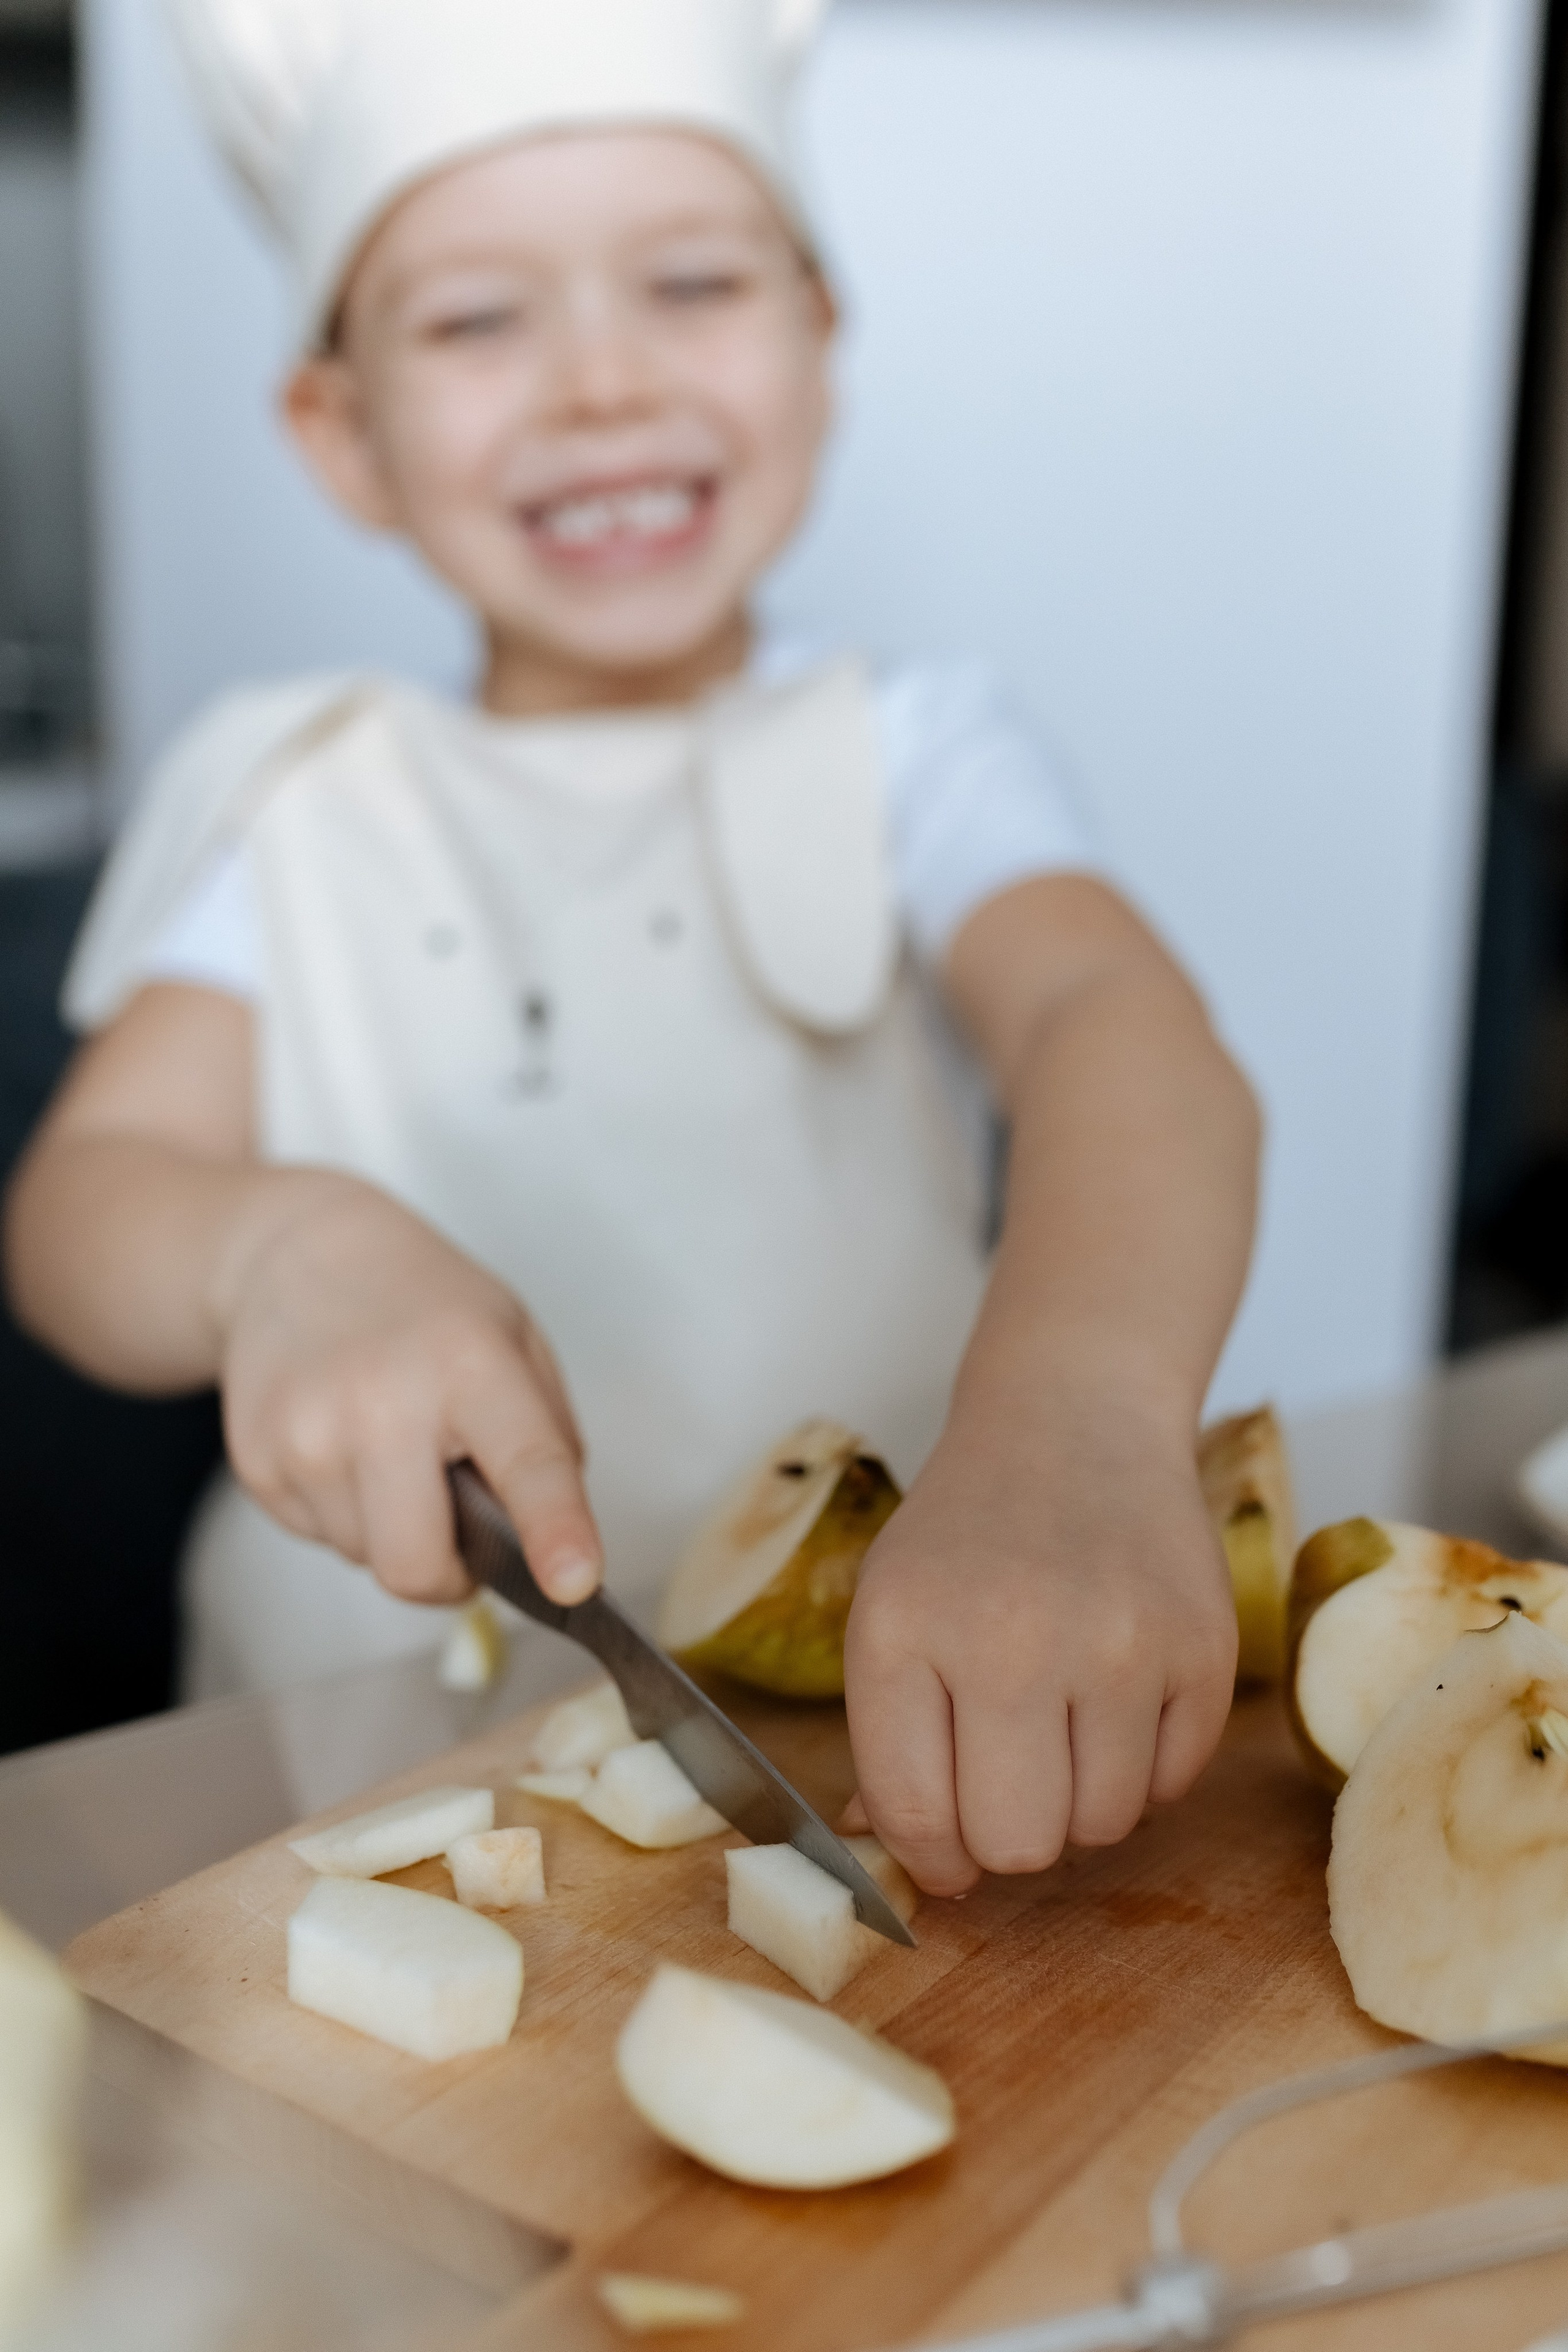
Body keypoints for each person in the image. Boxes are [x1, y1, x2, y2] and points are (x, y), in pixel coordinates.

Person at [2, 0, 1259, 1897]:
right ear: (339, 433)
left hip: (866, 1752)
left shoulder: (914, 755)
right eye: (477, 321)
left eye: (689, 282)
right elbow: (84, 1208)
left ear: (824, 345)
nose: (598, 382)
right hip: (342, 1791)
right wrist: (276, 1250)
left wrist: (1080, 1421)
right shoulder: (291, 802)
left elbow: (1120, 1030)